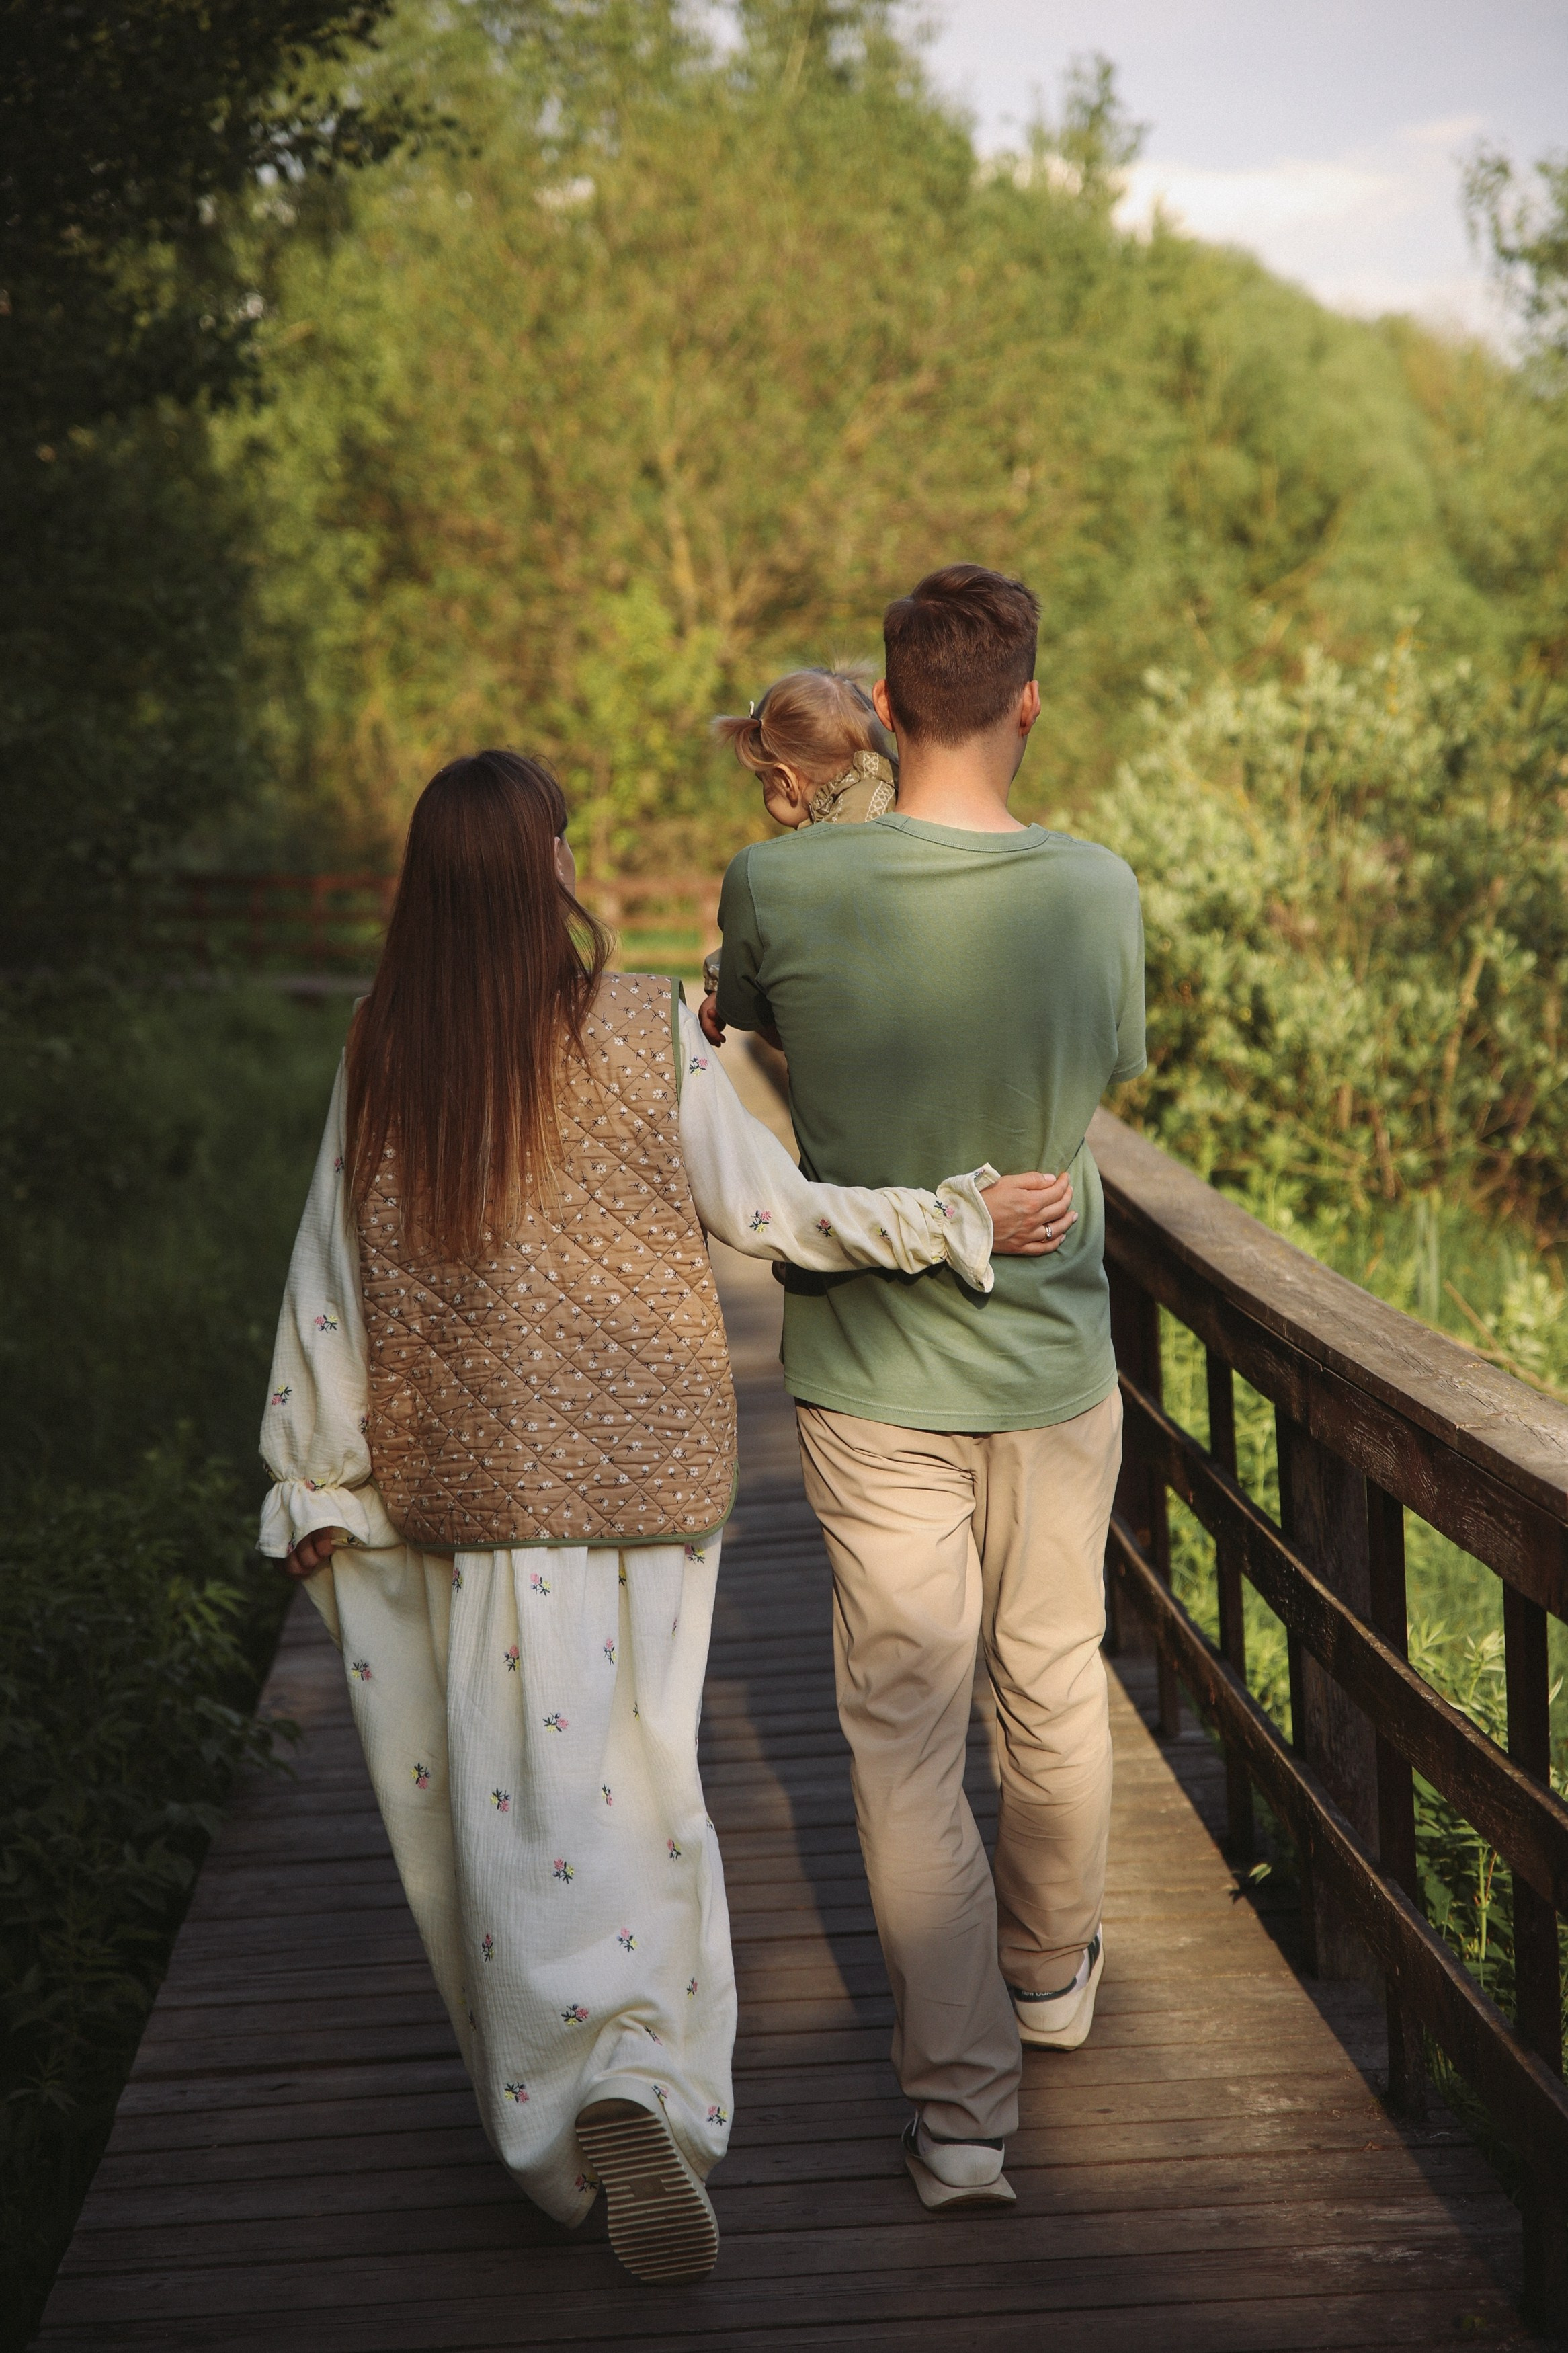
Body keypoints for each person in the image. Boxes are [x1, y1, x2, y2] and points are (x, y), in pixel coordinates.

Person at [257, 748, 1075, 2283]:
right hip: (650, 1480)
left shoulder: (382, 1045)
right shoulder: (642, 1028)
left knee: (505, 1801)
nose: (577, 865)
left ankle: (574, 2107)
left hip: (470, 1494)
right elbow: (775, 1213)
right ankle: (653, 2083)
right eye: (563, 845)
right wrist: (957, 1215)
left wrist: (310, 1471)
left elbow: (329, 1271)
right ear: (540, 874)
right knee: (643, 1788)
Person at [712, 565, 1146, 2215]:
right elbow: (1092, 1078)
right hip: (1049, 1362)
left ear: (884, 710)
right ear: (1027, 704)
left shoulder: (775, 880)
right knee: (1050, 1681)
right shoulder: (1094, 888)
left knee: (903, 1744)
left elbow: (750, 1041)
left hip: (868, 1373)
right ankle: (1049, 1974)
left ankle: (961, 2121)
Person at [698, 668, 898, 1019]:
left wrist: (721, 978)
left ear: (786, 779)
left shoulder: (849, 827)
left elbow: (782, 911)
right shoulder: (886, 791)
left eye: (762, 781)